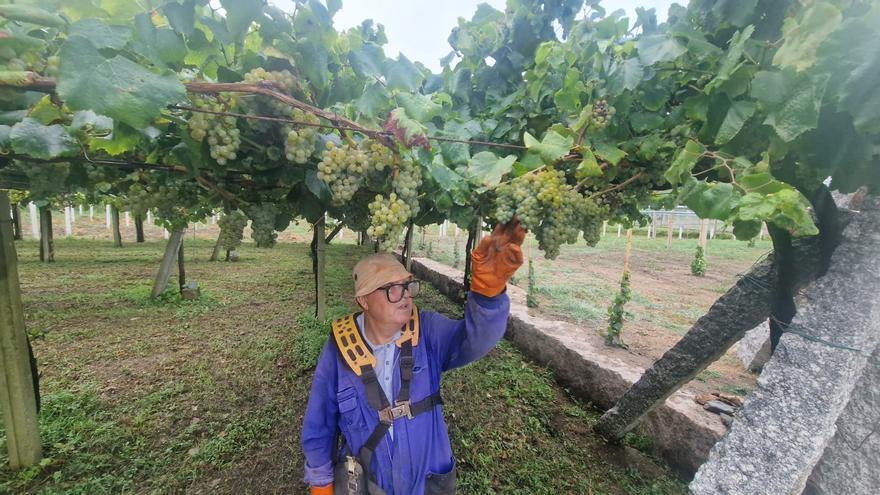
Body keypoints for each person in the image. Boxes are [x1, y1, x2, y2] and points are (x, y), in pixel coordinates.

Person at [301, 220, 525, 495]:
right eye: (391, 289)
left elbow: (474, 340)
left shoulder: (427, 330)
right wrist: (321, 484)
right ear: (363, 301)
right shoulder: (341, 346)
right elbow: (320, 420)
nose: (405, 296)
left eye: (407, 286)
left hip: (426, 482)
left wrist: (488, 295)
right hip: (369, 483)